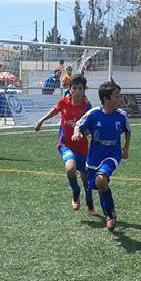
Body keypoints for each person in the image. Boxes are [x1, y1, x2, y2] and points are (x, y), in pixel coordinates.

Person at [72, 81, 131, 231]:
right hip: (94, 156)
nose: (120, 99)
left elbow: (128, 131)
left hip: (112, 154)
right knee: (98, 185)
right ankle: (107, 208)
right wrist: (77, 133)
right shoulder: (94, 114)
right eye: (117, 96)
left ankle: (110, 215)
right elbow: (79, 125)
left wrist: (125, 148)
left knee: (101, 180)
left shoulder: (121, 115)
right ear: (106, 99)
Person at [34, 75, 94, 213]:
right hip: (66, 144)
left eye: (80, 89)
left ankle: (89, 202)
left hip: (82, 146)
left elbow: (91, 124)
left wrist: (87, 131)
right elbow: (54, 111)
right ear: (69, 89)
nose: (77, 91)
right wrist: (41, 120)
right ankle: (76, 193)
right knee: (70, 169)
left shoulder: (87, 106)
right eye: (74, 88)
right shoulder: (64, 102)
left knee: (85, 177)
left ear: (84, 90)